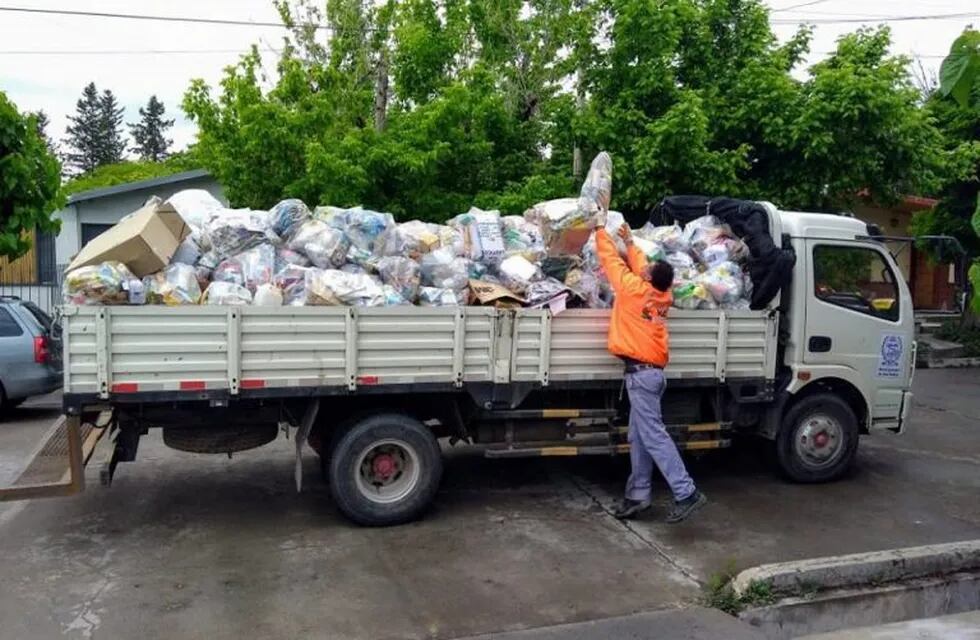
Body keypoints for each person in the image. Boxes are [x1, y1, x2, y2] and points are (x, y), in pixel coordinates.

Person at [595, 223, 707, 522]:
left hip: (642, 376)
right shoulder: (662, 294)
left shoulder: (633, 291)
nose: (643, 269)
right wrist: (630, 241)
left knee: (653, 435)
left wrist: (599, 230)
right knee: (639, 435)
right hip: (651, 374)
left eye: (647, 269)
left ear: (648, 278)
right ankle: (639, 494)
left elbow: (610, 260)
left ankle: (686, 492)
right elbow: (643, 265)